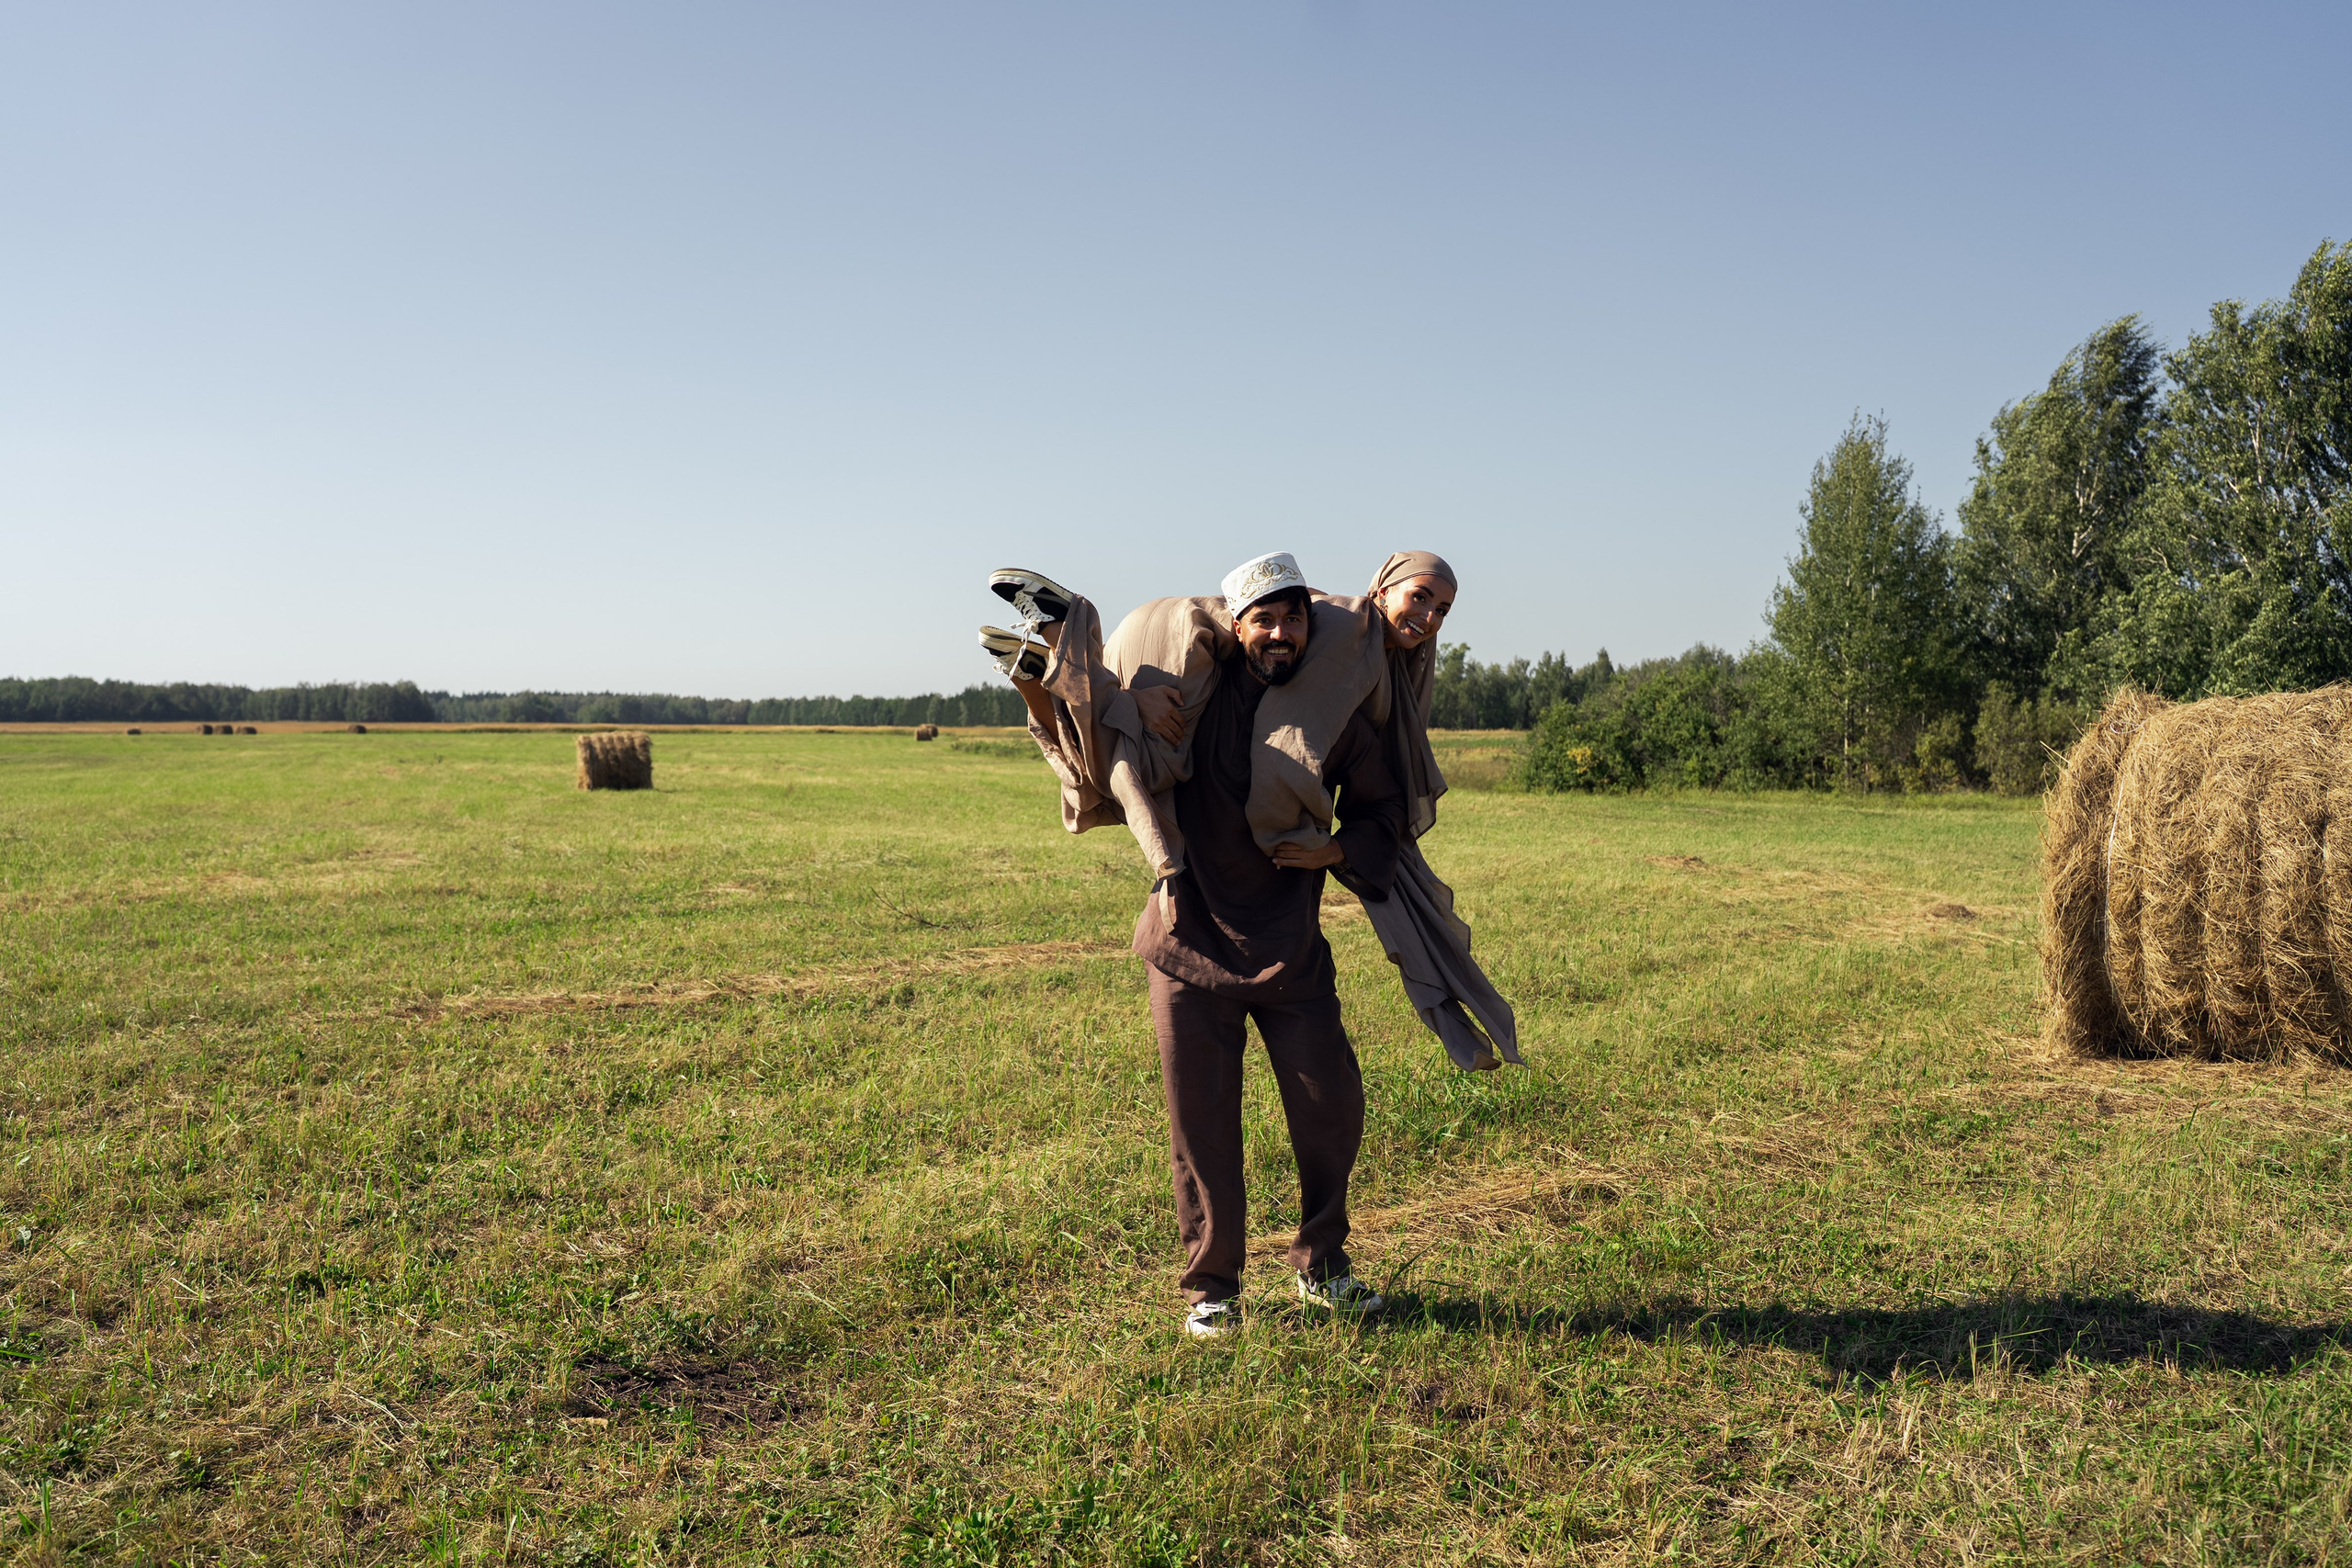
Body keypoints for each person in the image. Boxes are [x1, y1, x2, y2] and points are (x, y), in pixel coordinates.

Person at [986, 553, 1406, 1337]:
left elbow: (1383, 812)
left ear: (1310, 629)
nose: (1281, 634)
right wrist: (1138, 701)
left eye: (1295, 619)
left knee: (1332, 1108)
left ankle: (1324, 1263)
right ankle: (1212, 1285)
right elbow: (1117, 743)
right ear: (1237, 626)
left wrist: (1337, 851)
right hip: (1186, 943)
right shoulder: (1189, 696)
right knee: (1200, 1125)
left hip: (1291, 950)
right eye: (1265, 620)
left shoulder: (1330, 713)